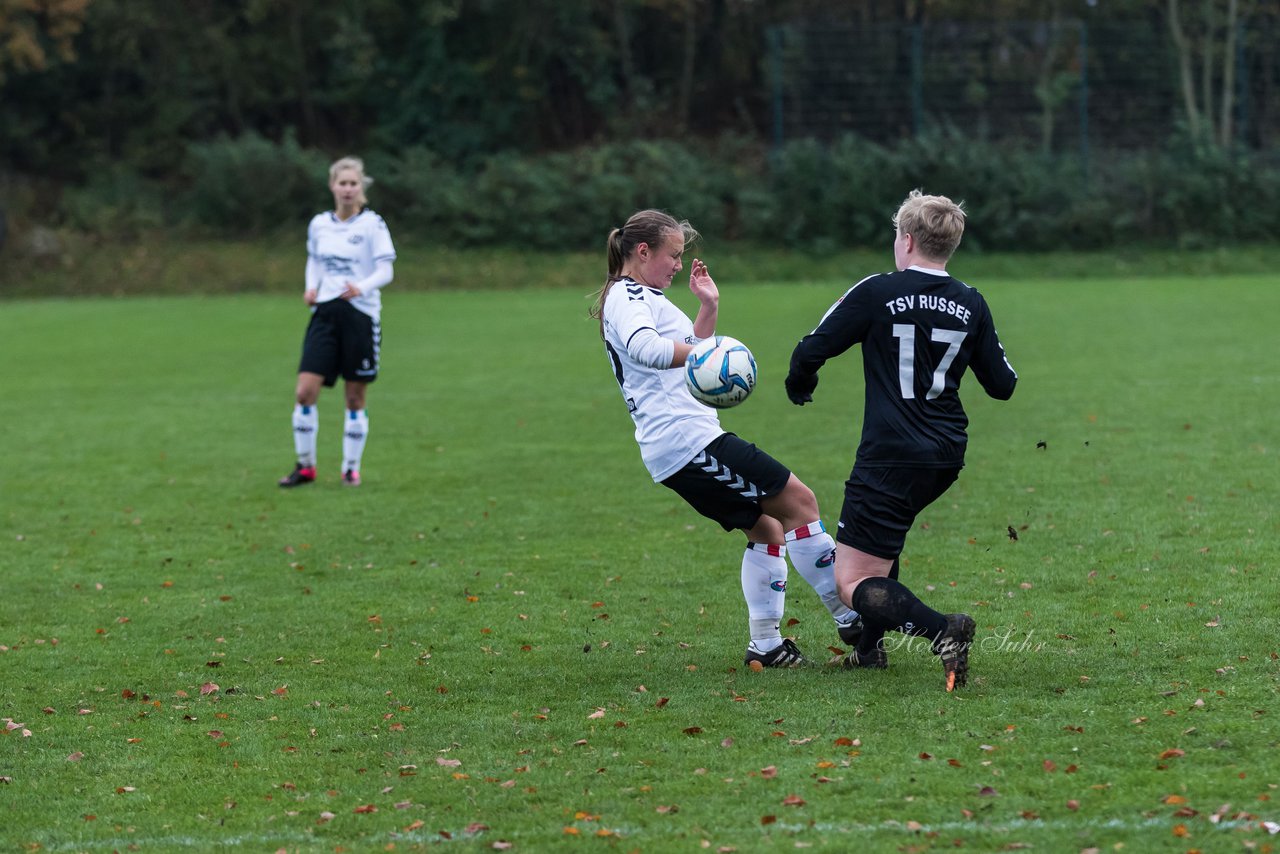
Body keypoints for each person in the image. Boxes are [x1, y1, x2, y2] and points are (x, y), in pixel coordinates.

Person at [590, 209, 862, 668]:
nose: (678, 264)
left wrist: (708, 310)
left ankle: (767, 646)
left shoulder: (643, 295)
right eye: (673, 255)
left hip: (685, 440)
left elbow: (689, 366)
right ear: (642, 252)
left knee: (769, 529)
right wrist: (710, 353)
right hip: (686, 442)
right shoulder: (627, 297)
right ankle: (850, 615)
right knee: (799, 502)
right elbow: (650, 351)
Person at [785, 189, 1017, 690]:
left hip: (890, 453)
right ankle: (869, 651)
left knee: (851, 583)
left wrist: (800, 383)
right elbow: (1003, 385)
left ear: (906, 240)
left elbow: (811, 348)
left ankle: (944, 632)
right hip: (945, 454)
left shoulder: (878, 291)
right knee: (880, 548)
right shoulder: (971, 302)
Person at [279, 156, 396, 488]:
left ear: (362, 188)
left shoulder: (372, 225)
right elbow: (314, 261)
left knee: (355, 397)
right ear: (332, 186)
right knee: (304, 392)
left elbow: (386, 270)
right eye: (342, 183)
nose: (347, 189)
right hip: (325, 314)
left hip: (360, 315)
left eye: (353, 184)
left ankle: (350, 468)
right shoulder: (319, 224)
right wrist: (311, 287)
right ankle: (305, 467)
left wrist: (362, 286)